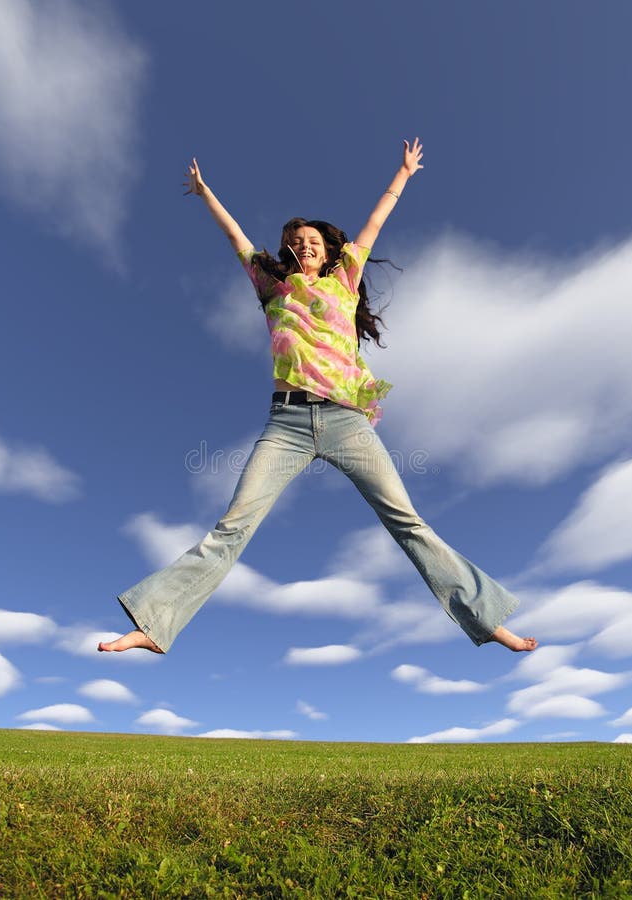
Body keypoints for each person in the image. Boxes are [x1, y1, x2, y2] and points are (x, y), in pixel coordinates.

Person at [99, 138, 537, 656]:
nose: (305, 244)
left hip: (347, 421)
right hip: (284, 424)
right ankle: (156, 624)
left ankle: (485, 620)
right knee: (232, 526)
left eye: (313, 240)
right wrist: (205, 193)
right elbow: (236, 237)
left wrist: (402, 174)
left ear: (329, 250)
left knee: (407, 522)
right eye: (296, 240)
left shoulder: (345, 278)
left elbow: (375, 222)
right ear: (286, 250)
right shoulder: (271, 287)